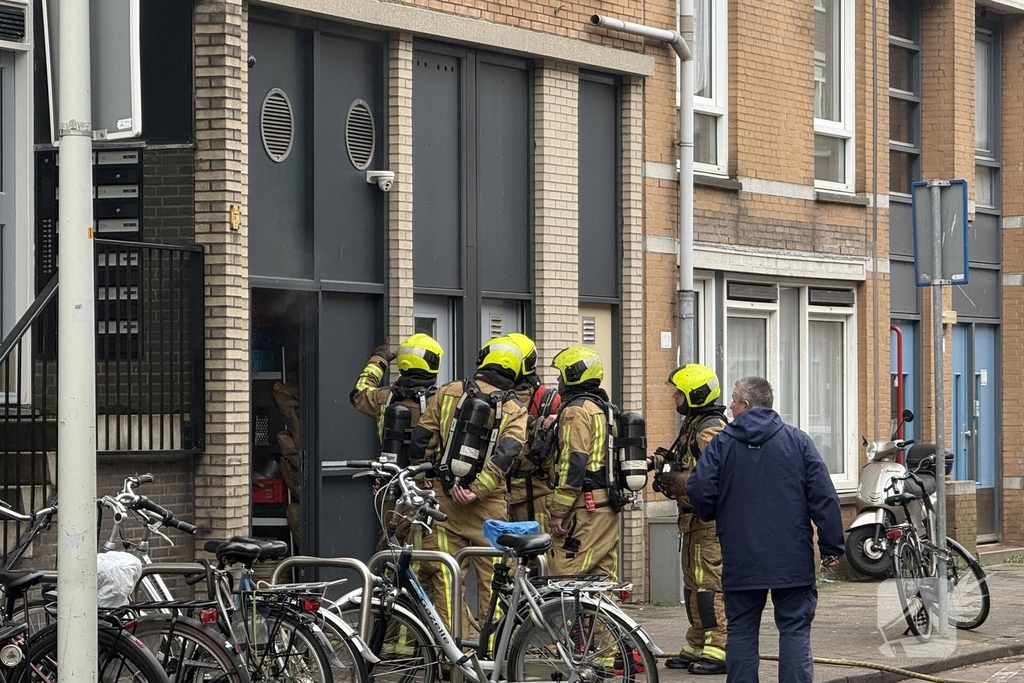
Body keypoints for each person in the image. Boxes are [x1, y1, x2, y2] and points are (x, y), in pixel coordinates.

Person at [685, 377, 845, 683]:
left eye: (733, 400)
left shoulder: (722, 444)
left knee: (742, 629)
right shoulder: (797, 441)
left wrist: (715, 514)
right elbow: (824, 497)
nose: (729, 406)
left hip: (741, 554)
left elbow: (699, 488)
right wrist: (831, 546)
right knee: (794, 629)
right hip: (791, 556)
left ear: (745, 405)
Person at [407, 337, 529, 633]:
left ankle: (455, 658)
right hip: (487, 508)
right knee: (496, 580)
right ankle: (491, 656)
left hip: (444, 504)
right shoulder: (515, 409)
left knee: (446, 579)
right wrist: (478, 489)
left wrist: (431, 486)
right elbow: (507, 454)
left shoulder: (448, 393)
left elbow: (421, 441)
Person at [651, 364, 729, 675]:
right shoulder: (694, 424)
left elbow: (718, 476)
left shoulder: (710, 429)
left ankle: (720, 647)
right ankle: (698, 641)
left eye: (679, 392)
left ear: (694, 395)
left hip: (708, 524)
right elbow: (680, 459)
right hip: (693, 521)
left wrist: (682, 481)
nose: (674, 397)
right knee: (693, 586)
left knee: (711, 586)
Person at [350, 333, 444, 549]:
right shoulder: (439, 401)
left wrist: (378, 360)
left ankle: (387, 580)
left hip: (391, 485)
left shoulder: (384, 398)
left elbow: (359, 392)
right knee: (423, 545)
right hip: (426, 488)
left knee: (390, 540)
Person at [545, 346, 619, 578]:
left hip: (584, 508)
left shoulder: (575, 411)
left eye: (561, 375)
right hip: (605, 505)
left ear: (574, 376)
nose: (558, 381)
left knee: (562, 576)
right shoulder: (603, 408)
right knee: (600, 580)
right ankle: (601, 616)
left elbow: (573, 463)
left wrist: (558, 511)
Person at [504, 333, 561, 532]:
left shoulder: (549, 399)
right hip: (502, 494)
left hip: (537, 495)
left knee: (540, 557)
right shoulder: (495, 398)